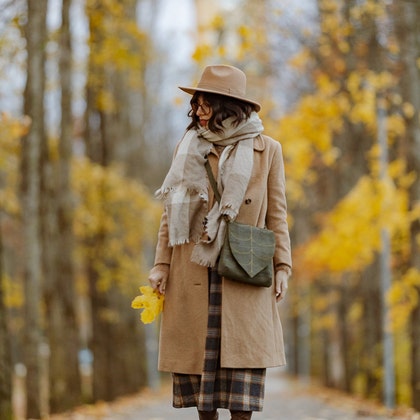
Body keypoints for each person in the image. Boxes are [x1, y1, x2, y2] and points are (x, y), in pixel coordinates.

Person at [148, 64, 292, 420]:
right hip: (193, 267)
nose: (196, 111)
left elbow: (277, 212)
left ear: (227, 106)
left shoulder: (267, 150)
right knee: (203, 395)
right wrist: (161, 264)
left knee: (242, 391)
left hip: (244, 268)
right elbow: (171, 212)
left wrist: (284, 266)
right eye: (195, 105)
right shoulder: (187, 147)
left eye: (204, 105)